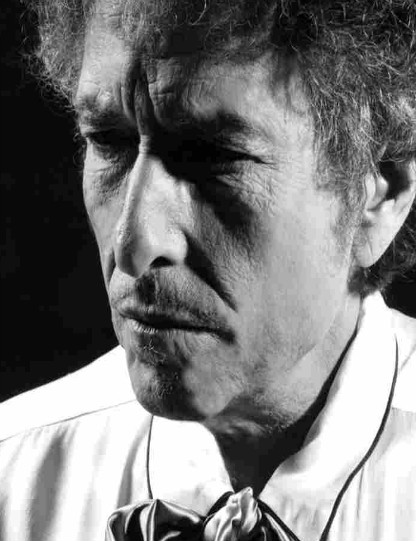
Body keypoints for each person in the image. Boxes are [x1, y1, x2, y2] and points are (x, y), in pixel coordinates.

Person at [1, 1, 416, 539]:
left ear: (381, 190)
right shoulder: (14, 479)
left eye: (213, 156)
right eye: (108, 140)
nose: (133, 245)